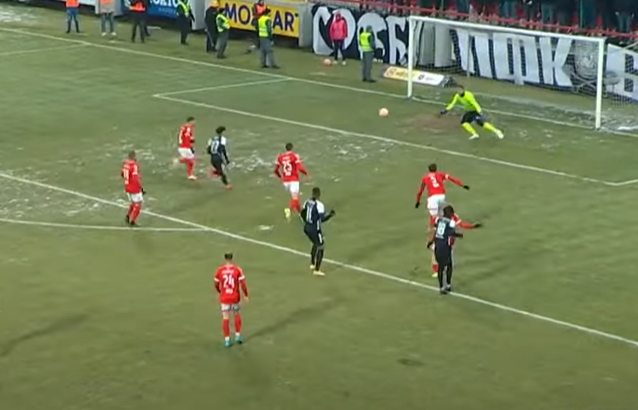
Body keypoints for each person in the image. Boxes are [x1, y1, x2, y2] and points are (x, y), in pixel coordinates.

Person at [428, 206, 481, 277]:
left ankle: (441, 269)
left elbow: (461, 224)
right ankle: (440, 269)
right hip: (443, 239)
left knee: (441, 253)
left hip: (445, 240)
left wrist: (471, 226)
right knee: (437, 252)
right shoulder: (448, 218)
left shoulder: (449, 218)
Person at [440, 85, 504, 140]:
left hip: (475, 111)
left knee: (481, 123)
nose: (459, 91)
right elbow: (452, 103)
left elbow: (474, 103)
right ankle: (475, 134)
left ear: (463, 90)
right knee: (464, 123)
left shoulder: (468, 95)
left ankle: (497, 131)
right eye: (457, 90)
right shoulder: (457, 96)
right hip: (468, 111)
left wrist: (479, 111)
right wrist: (446, 109)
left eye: (460, 90)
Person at [214, 252, 249, 347]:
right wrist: (246, 295)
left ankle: (227, 340)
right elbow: (243, 284)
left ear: (225, 259)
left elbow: (216, 284)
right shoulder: (237, 270)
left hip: (225, 297)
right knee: (236, 314)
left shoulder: (220, 270)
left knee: (225, 317)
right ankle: (238, 335)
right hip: (235, 297)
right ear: (232, 258)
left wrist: (219, 291)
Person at [428, 205, 464, 294]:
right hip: (445, 247)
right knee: (449, 266)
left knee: (440, 267)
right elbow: (451, 234)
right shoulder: (451, 222)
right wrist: (460, 235)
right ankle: (448, 285)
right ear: (450, 214)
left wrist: (431, 242)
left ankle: (441, 287)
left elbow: (436, 231)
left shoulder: (438, 220)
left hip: (437, 246)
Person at [301, 187, 335, 277]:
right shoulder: (319, 205)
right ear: (319, 194)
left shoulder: (307, 202)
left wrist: (307, 222)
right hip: (315, 229)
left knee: (315, 243)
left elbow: (302, 213)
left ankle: (312, 263)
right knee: (321, 246)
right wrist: (331, 215)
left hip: (306, 227)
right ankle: (317, 269)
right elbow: (322, 219)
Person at [274, 142, 308, 220]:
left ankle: (301, 213)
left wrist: (280, 177)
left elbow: (275, 170)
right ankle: (289, 209)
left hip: (285, 181)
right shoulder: (294, 156)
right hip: (293, 180)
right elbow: (300, 167)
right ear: (292, 148)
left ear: (285, 149)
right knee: (295, 199)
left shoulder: (280, 157)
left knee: (295, 198)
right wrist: (306, 173)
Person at [121, 150, 145, 227]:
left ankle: (127, 216)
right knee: (138, 203)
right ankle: (132, 221)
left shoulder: (125, 164)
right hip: (134, 187)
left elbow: (122, 174)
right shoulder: (134, 165)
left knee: (133, 202)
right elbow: (135, 179)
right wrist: (140, 187)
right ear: (134, 156)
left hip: (127, 186)